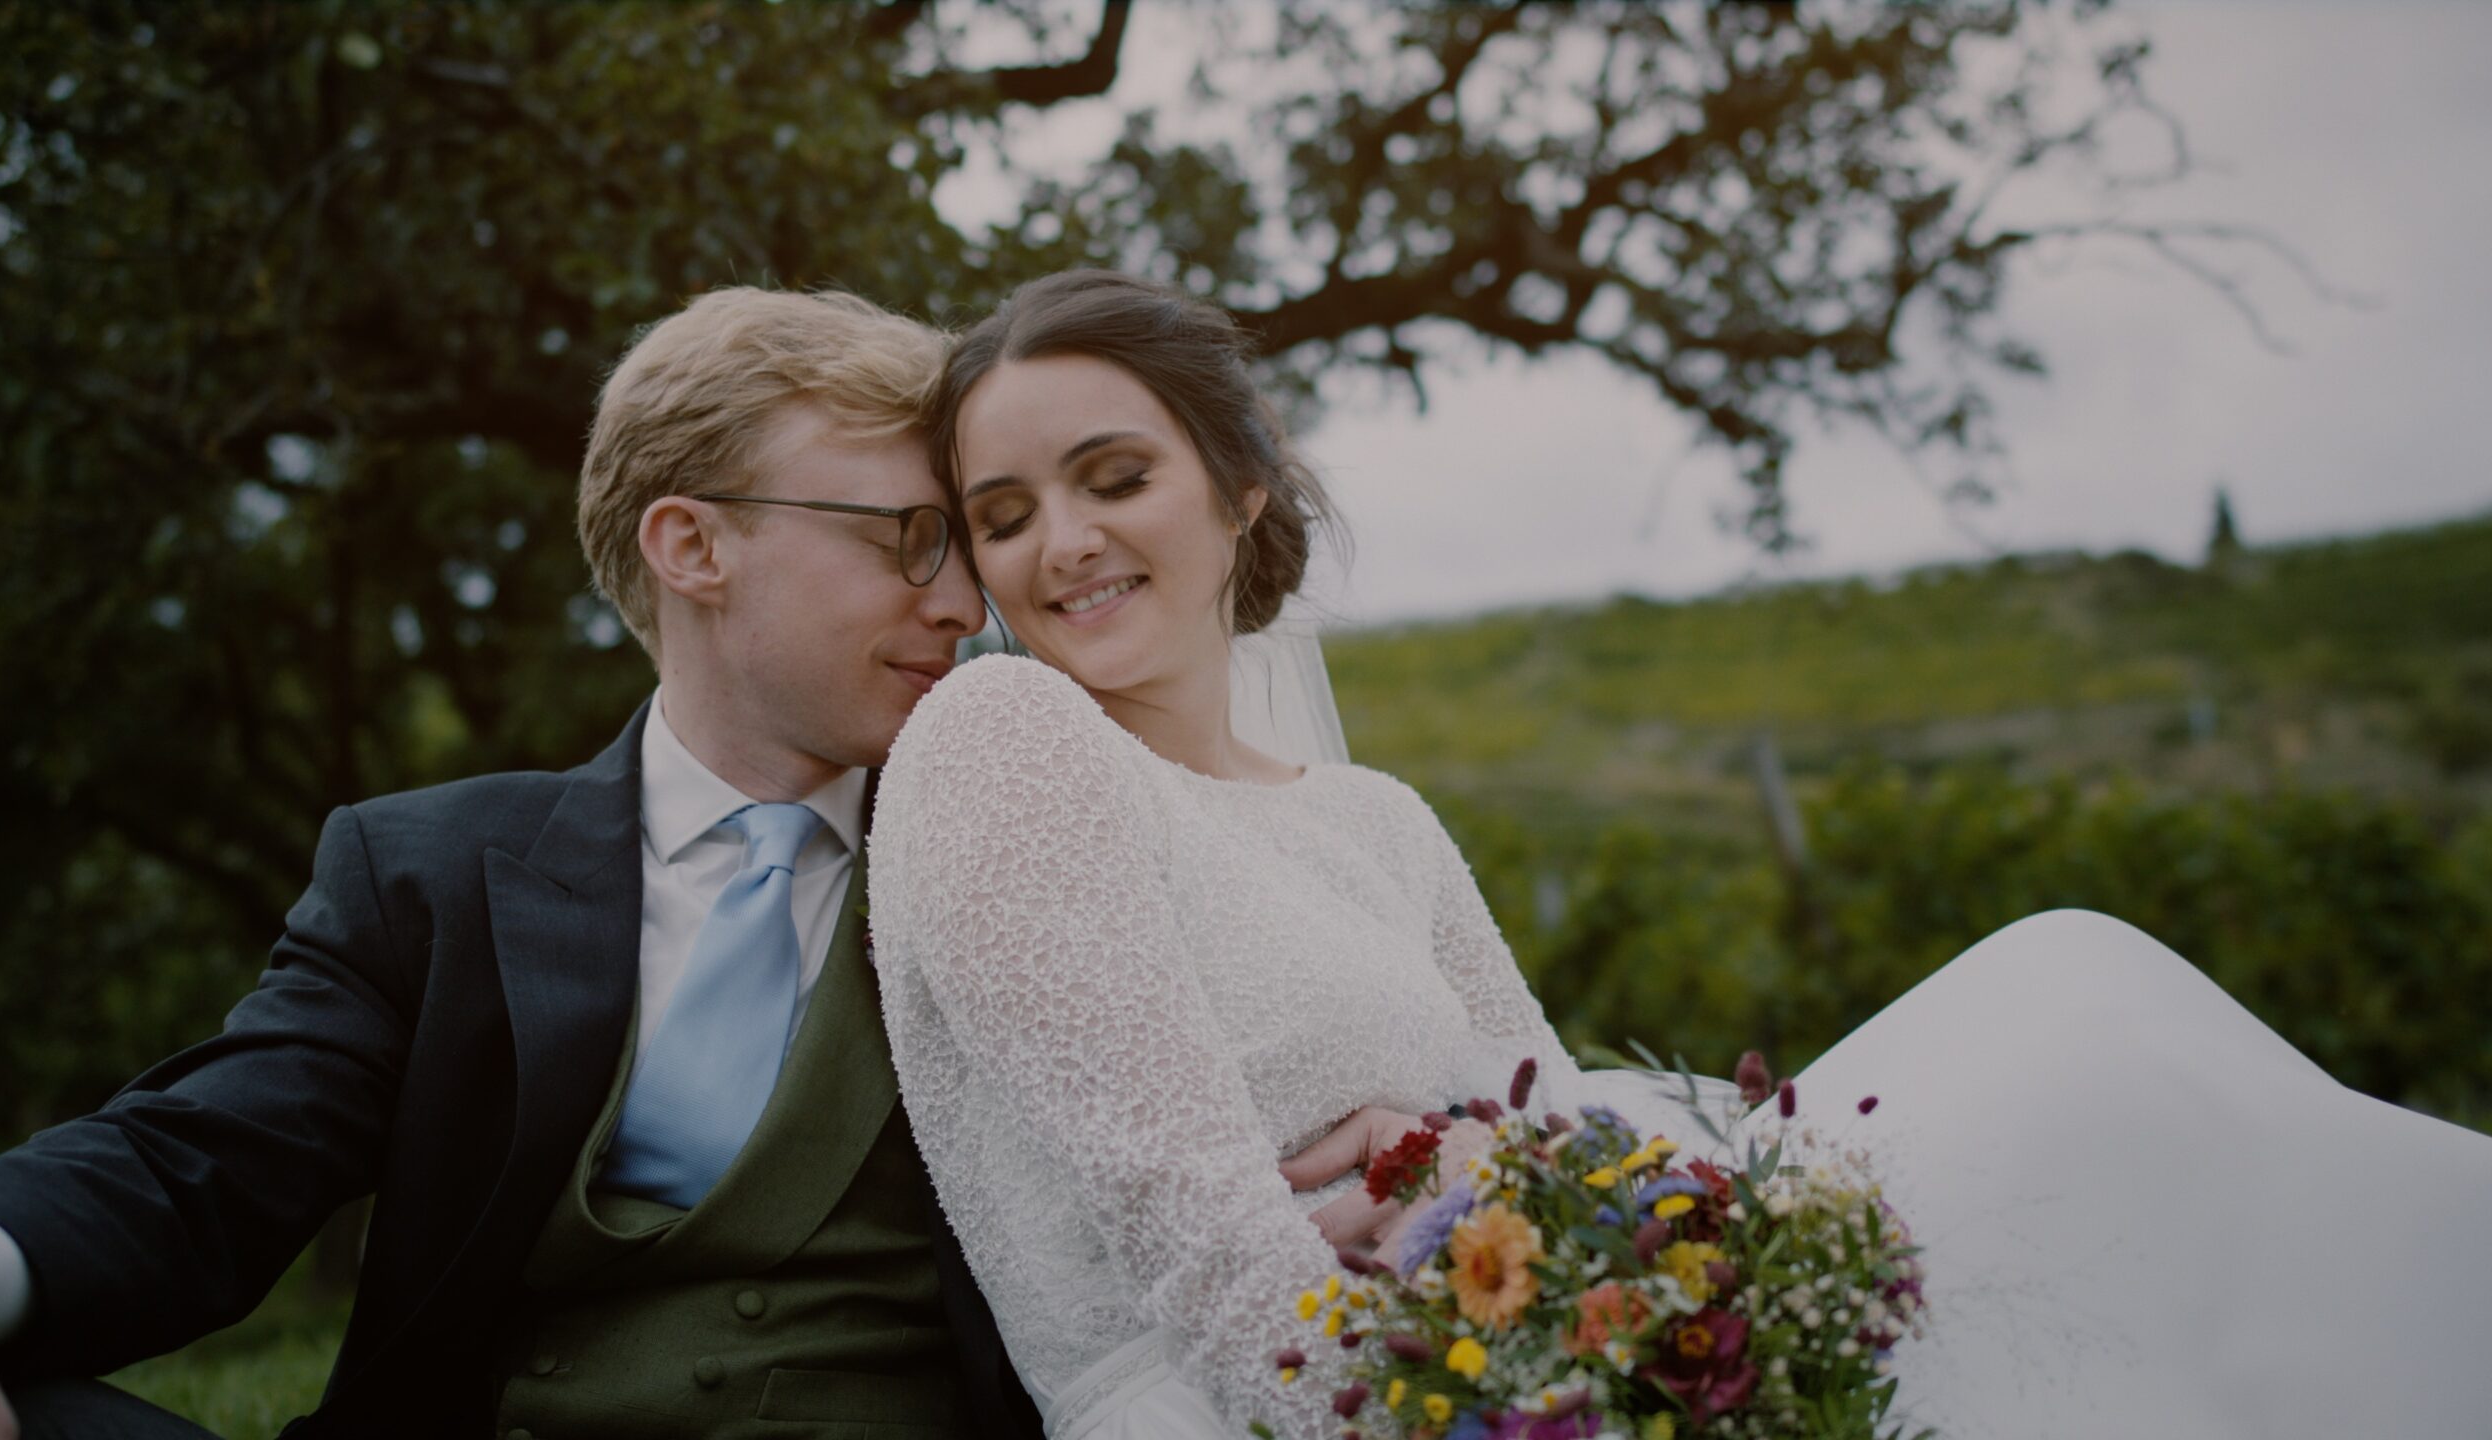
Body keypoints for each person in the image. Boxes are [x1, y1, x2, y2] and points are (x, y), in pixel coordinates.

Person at [863, 269, 2492, 1439]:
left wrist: (1476, 1184)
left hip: (1547, 1383)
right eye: (1002, 515)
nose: (1060, 544)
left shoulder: (1379, 825)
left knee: (2107, 1058)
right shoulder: (1003, 749)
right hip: (1261, 1411)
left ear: (1237, 490)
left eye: (1114, 477)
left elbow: (1586, 1150)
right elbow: (1194, 1247)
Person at [0, 287, 1048, 1440]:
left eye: (964, 548)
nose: (963, 603)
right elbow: (204, 1162)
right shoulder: (425, 872)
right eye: (909, 539)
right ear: (692, 545)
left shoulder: (1026, 870)